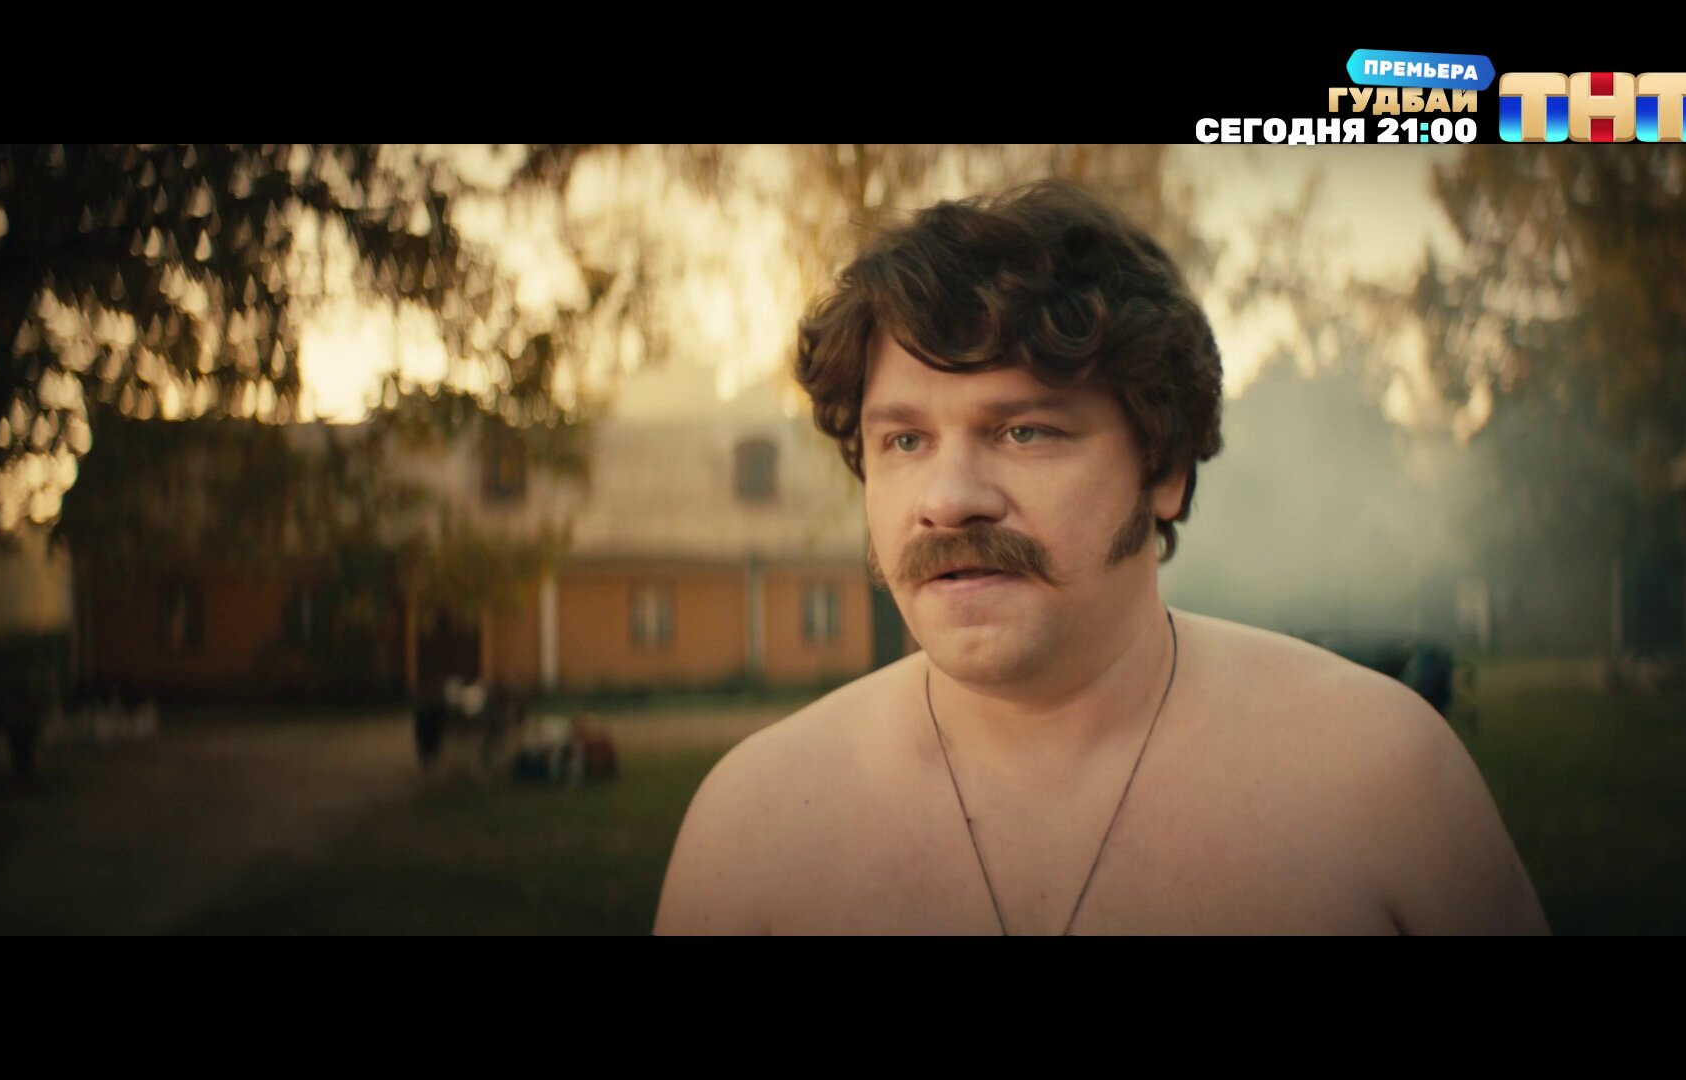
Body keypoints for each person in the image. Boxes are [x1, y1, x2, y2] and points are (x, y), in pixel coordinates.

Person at [654, 180, 1548, 935]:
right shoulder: (751, 833)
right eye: (905, 441)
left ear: (1164, 467)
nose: (948, 498)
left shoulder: (1382, 780)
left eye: (1024, 430)